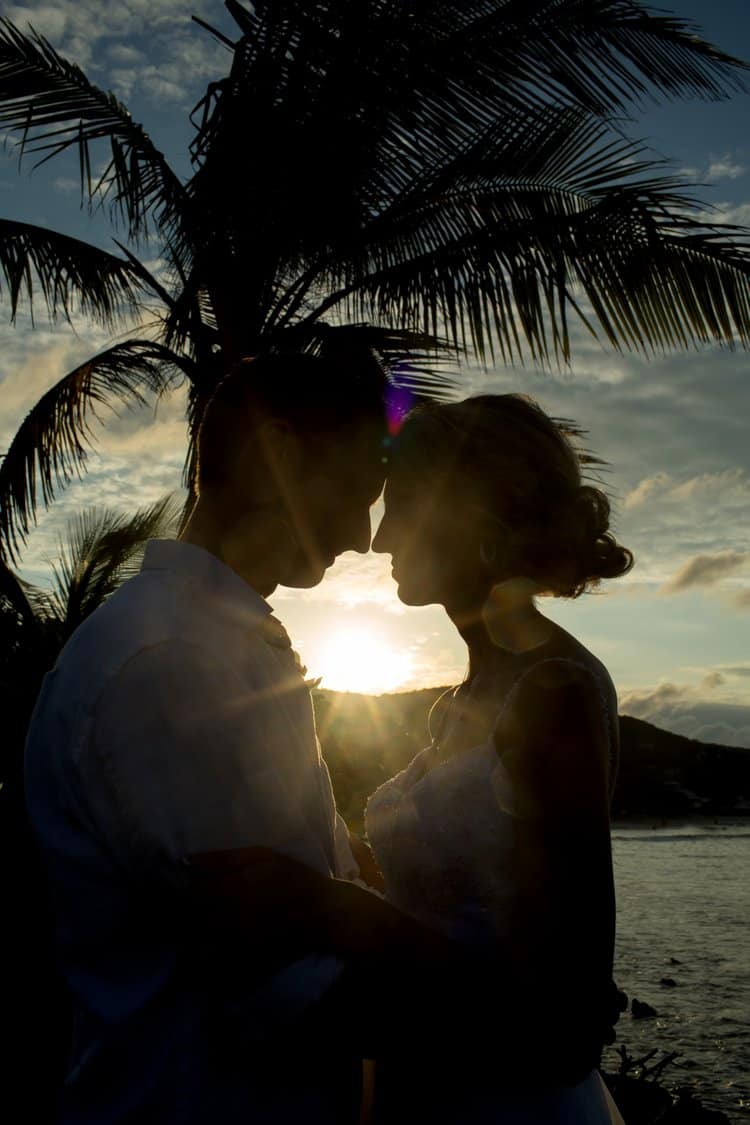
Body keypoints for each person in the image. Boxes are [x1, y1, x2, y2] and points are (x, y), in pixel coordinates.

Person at [23, 352, 458, 1124]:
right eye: (357, 491)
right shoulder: (172, 662)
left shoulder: (216, 645)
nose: (363, 535)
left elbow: (304, 897)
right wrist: (505, 999)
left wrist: (341, 906)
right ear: (277, 455)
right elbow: (275, 977)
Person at [366, 393, 632, 1123]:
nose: (382, 538)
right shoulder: (454, 702)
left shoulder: (554, 694)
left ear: (473, 521)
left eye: (405, 507)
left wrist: (350, 924)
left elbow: (568, 1017)